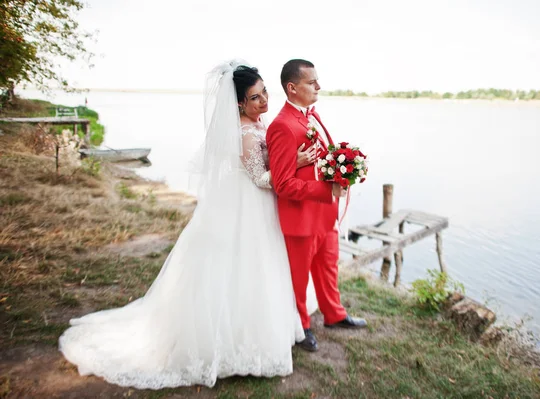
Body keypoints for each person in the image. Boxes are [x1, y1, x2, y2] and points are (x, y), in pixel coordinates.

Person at [59, 60, 317, 389]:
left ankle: (258, 331)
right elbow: (262, 177)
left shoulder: (256, 125)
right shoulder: (247, 134)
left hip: (245, 203)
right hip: (249, 205)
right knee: (245, 267)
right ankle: (237, 343)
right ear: (239, 103)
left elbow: (268, 164)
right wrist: (294, 165)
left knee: (254, 267)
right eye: (256, 97)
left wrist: (291, 159)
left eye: (265, 92)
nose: (265, 100)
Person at [266, 59, 368, 353]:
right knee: (298, 280)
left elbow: (323, 158)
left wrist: (345, 167)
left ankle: (334, 315)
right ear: (292, 87)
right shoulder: (282, 126)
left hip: (325, 214)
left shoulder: (312, 117)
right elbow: (283, 184)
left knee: (328, 269)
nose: (318, 87)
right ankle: (302, 327)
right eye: (312, 83)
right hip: (300, 218)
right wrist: (327, 188)